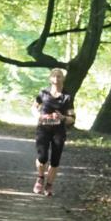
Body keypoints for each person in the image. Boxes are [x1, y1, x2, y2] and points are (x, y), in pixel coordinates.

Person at [32, 68, 75, 197]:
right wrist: (39, 116)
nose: (56, 79)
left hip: (59, 131)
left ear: (63, 79)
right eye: (54, 76)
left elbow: (72, 118)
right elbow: (34, 107)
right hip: (43, 129)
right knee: (42, 157)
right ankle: (40, 178)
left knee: (55, 160)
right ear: (50, 78)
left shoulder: (67, 97)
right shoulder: (43, 93)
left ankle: (49, 185)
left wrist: (63, 118)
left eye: (59, 76)